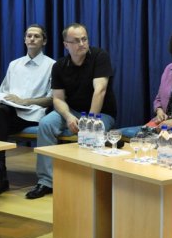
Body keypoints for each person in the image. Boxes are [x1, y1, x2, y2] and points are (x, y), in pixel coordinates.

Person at [28, 23, 117, 199]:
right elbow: (58, 99)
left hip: (100, 113)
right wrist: (68, 116)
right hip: (73, 111)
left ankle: (89, 182)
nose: (82, 44)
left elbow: (100, 90)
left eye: (84, 39)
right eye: (76, 41)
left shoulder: (99, 56)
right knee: (46, 124)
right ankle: (46, 181)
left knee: (92, 131)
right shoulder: (59, 66)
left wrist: (90, 121)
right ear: (66, 45)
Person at [0, 24, 55, 193]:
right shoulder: (14, 64)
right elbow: (4, 91)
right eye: (29, 36)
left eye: (36, 36)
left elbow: (51, 99)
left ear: (44, 41)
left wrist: (24, 101)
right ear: (24, 39)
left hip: (32, 113)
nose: (32, 39)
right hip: (9, 110)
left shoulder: (52, 65)